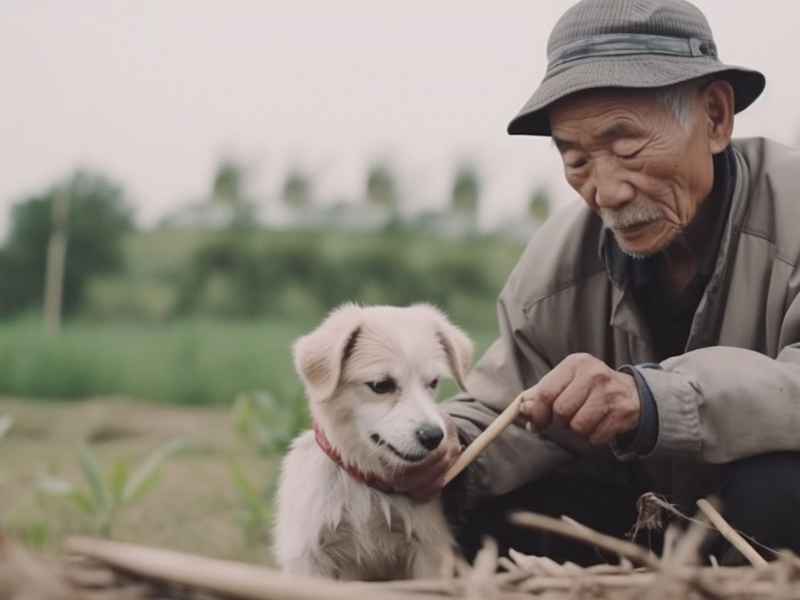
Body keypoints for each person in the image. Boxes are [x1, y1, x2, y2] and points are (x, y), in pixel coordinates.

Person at [386, 0, 800, 565]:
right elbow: (503, 407)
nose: (606, 191)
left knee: (779, 487)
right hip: (638, 533)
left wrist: (650, 399)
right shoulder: (555, 269)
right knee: (470, 500)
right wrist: (446, 444)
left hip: (759, 533)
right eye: (576, 159)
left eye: (626, 144)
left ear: (715, 117)